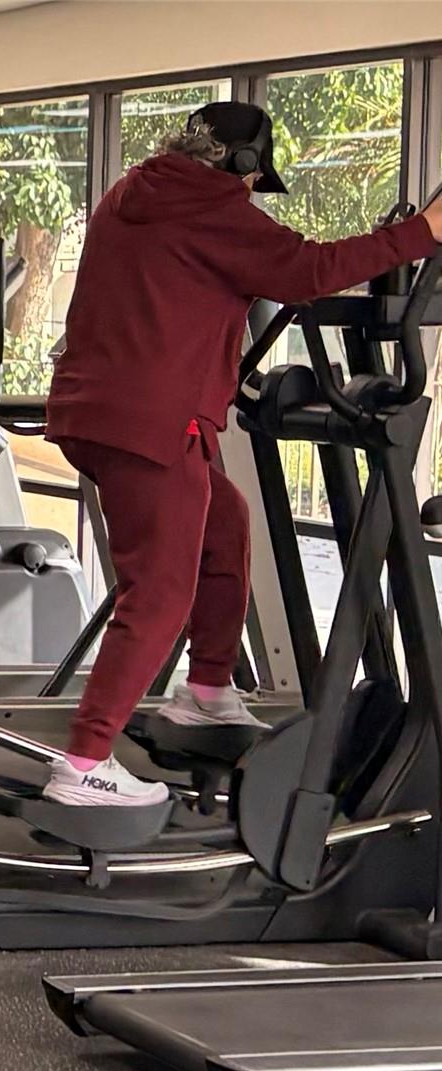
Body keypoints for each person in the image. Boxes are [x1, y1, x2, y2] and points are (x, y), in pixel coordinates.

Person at [41, 100, 442, 808]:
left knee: (225, 524)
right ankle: (83, 765)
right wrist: (424, 233)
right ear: (245, 163)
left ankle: (205, 692)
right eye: (256, 179)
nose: (254, 192)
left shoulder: (132, 193)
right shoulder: (213, 207)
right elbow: (310, 269)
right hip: (150, 426)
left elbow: (184, 293)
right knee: (159, 595)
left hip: (94, 414)